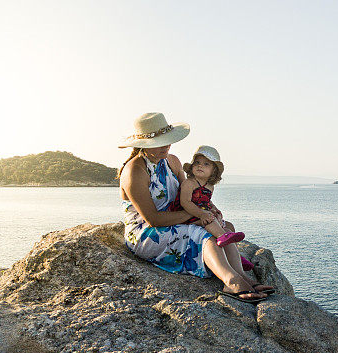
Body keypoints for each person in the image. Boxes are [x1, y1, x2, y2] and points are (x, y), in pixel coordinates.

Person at [117, 112, 273, 303]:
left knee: (225, 228)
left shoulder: (172, 161)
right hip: (148, 233)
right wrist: (197, 218)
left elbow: (190, 194)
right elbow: (153, 219)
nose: (166, 146)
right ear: (144, 145)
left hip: (176, 218)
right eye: (159, 142)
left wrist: (210, 209)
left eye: (167, 140)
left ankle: (241, 276)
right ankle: (230, 281)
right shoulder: (135, 171)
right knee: (202, 234)